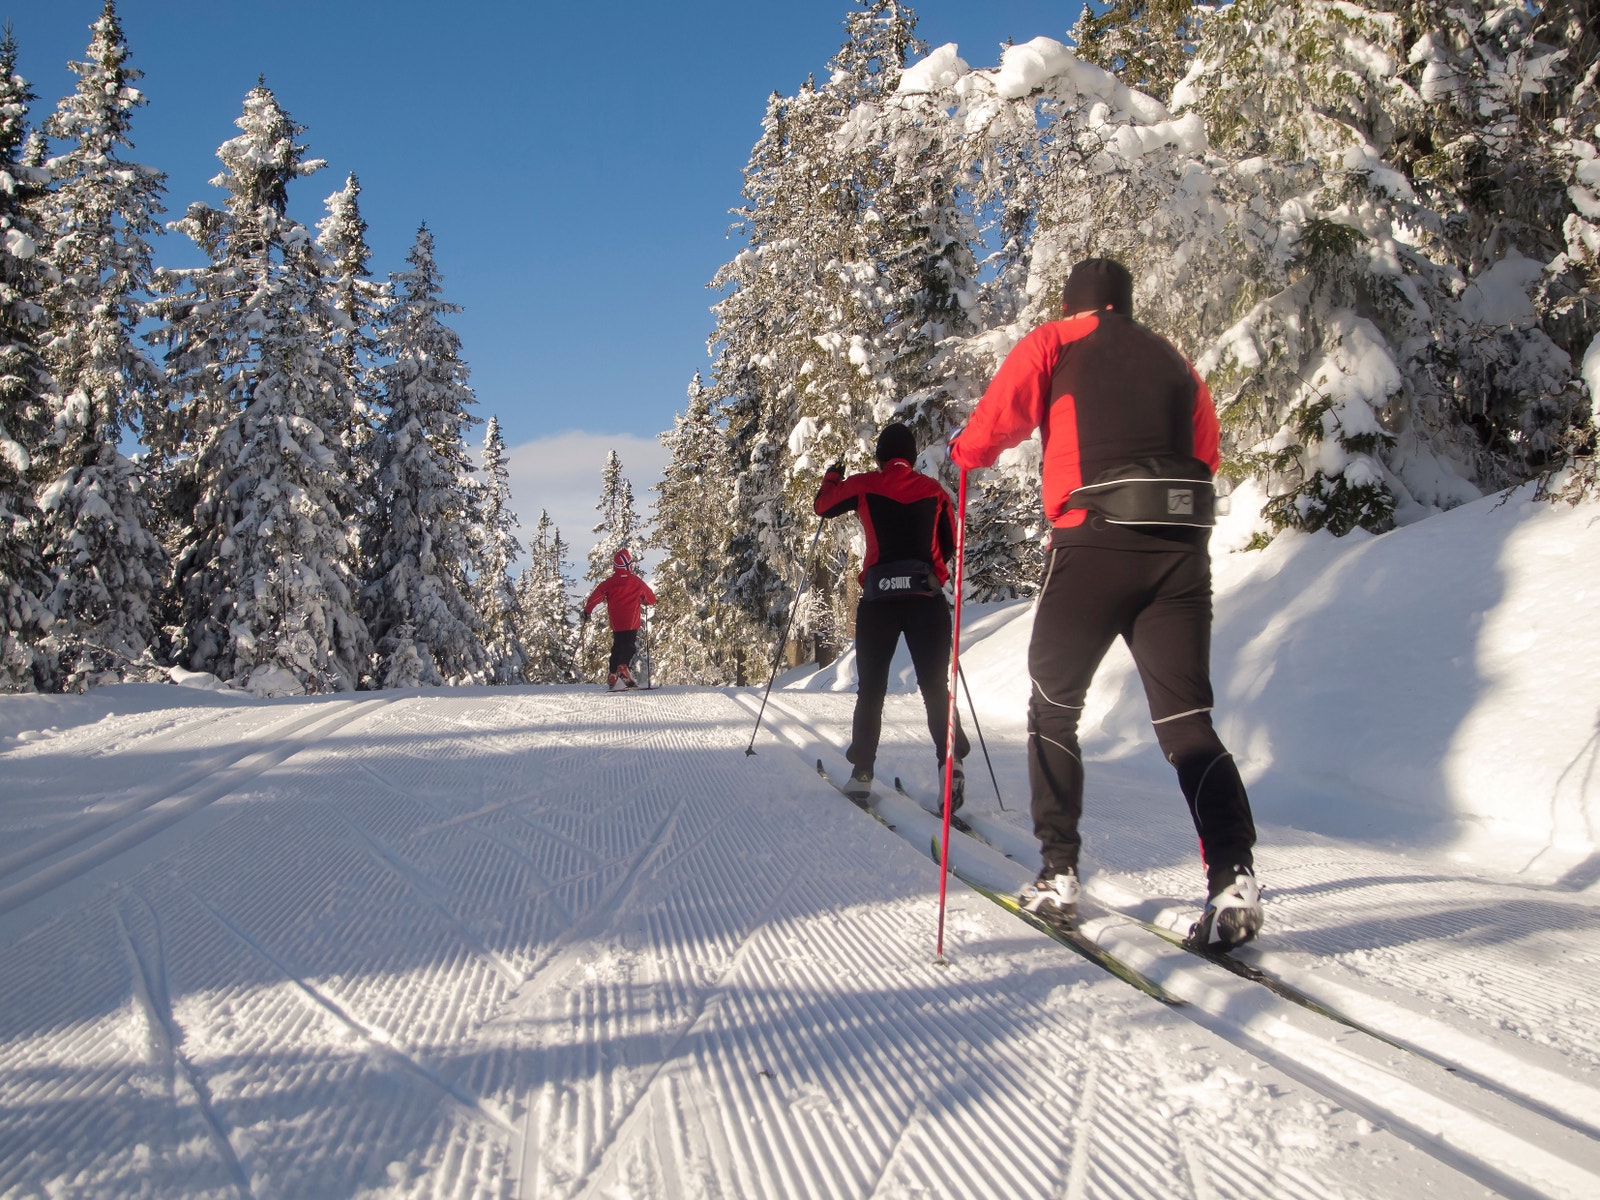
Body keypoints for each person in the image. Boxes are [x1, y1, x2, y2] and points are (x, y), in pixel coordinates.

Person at [949, 257, 1263, 950]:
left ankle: (1058, 874)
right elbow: (1205, 450)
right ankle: (1232, 876)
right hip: (1181, 548)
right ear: (1125, 303)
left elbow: (995, 422)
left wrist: (965, 450)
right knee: (1187, 723)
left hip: (1095, 540)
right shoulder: (1172, 356)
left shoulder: (1054, 342)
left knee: (1053, 706)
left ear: (1074, 304)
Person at [814, 422, 970, 804]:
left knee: (871, 690)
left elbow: (823, 506)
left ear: (880, 455)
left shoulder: (865, 484)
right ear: (912, 456)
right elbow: (950, 545)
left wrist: (833, 474)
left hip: (878, 602)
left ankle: (862, 774)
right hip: (926, 601)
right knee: (936, 688)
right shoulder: (934, 491)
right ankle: (950, 767)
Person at [582, 548, 656, 690]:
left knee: (617, 645)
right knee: (629, 645)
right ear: (629, 565)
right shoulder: (636, 582)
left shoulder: (609, 583)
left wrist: (587, 611)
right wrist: (645, 601)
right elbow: (651, 599)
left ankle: (612, 673)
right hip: (631, 620)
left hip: (616, 621)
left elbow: (595, 597)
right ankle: (622, 667)